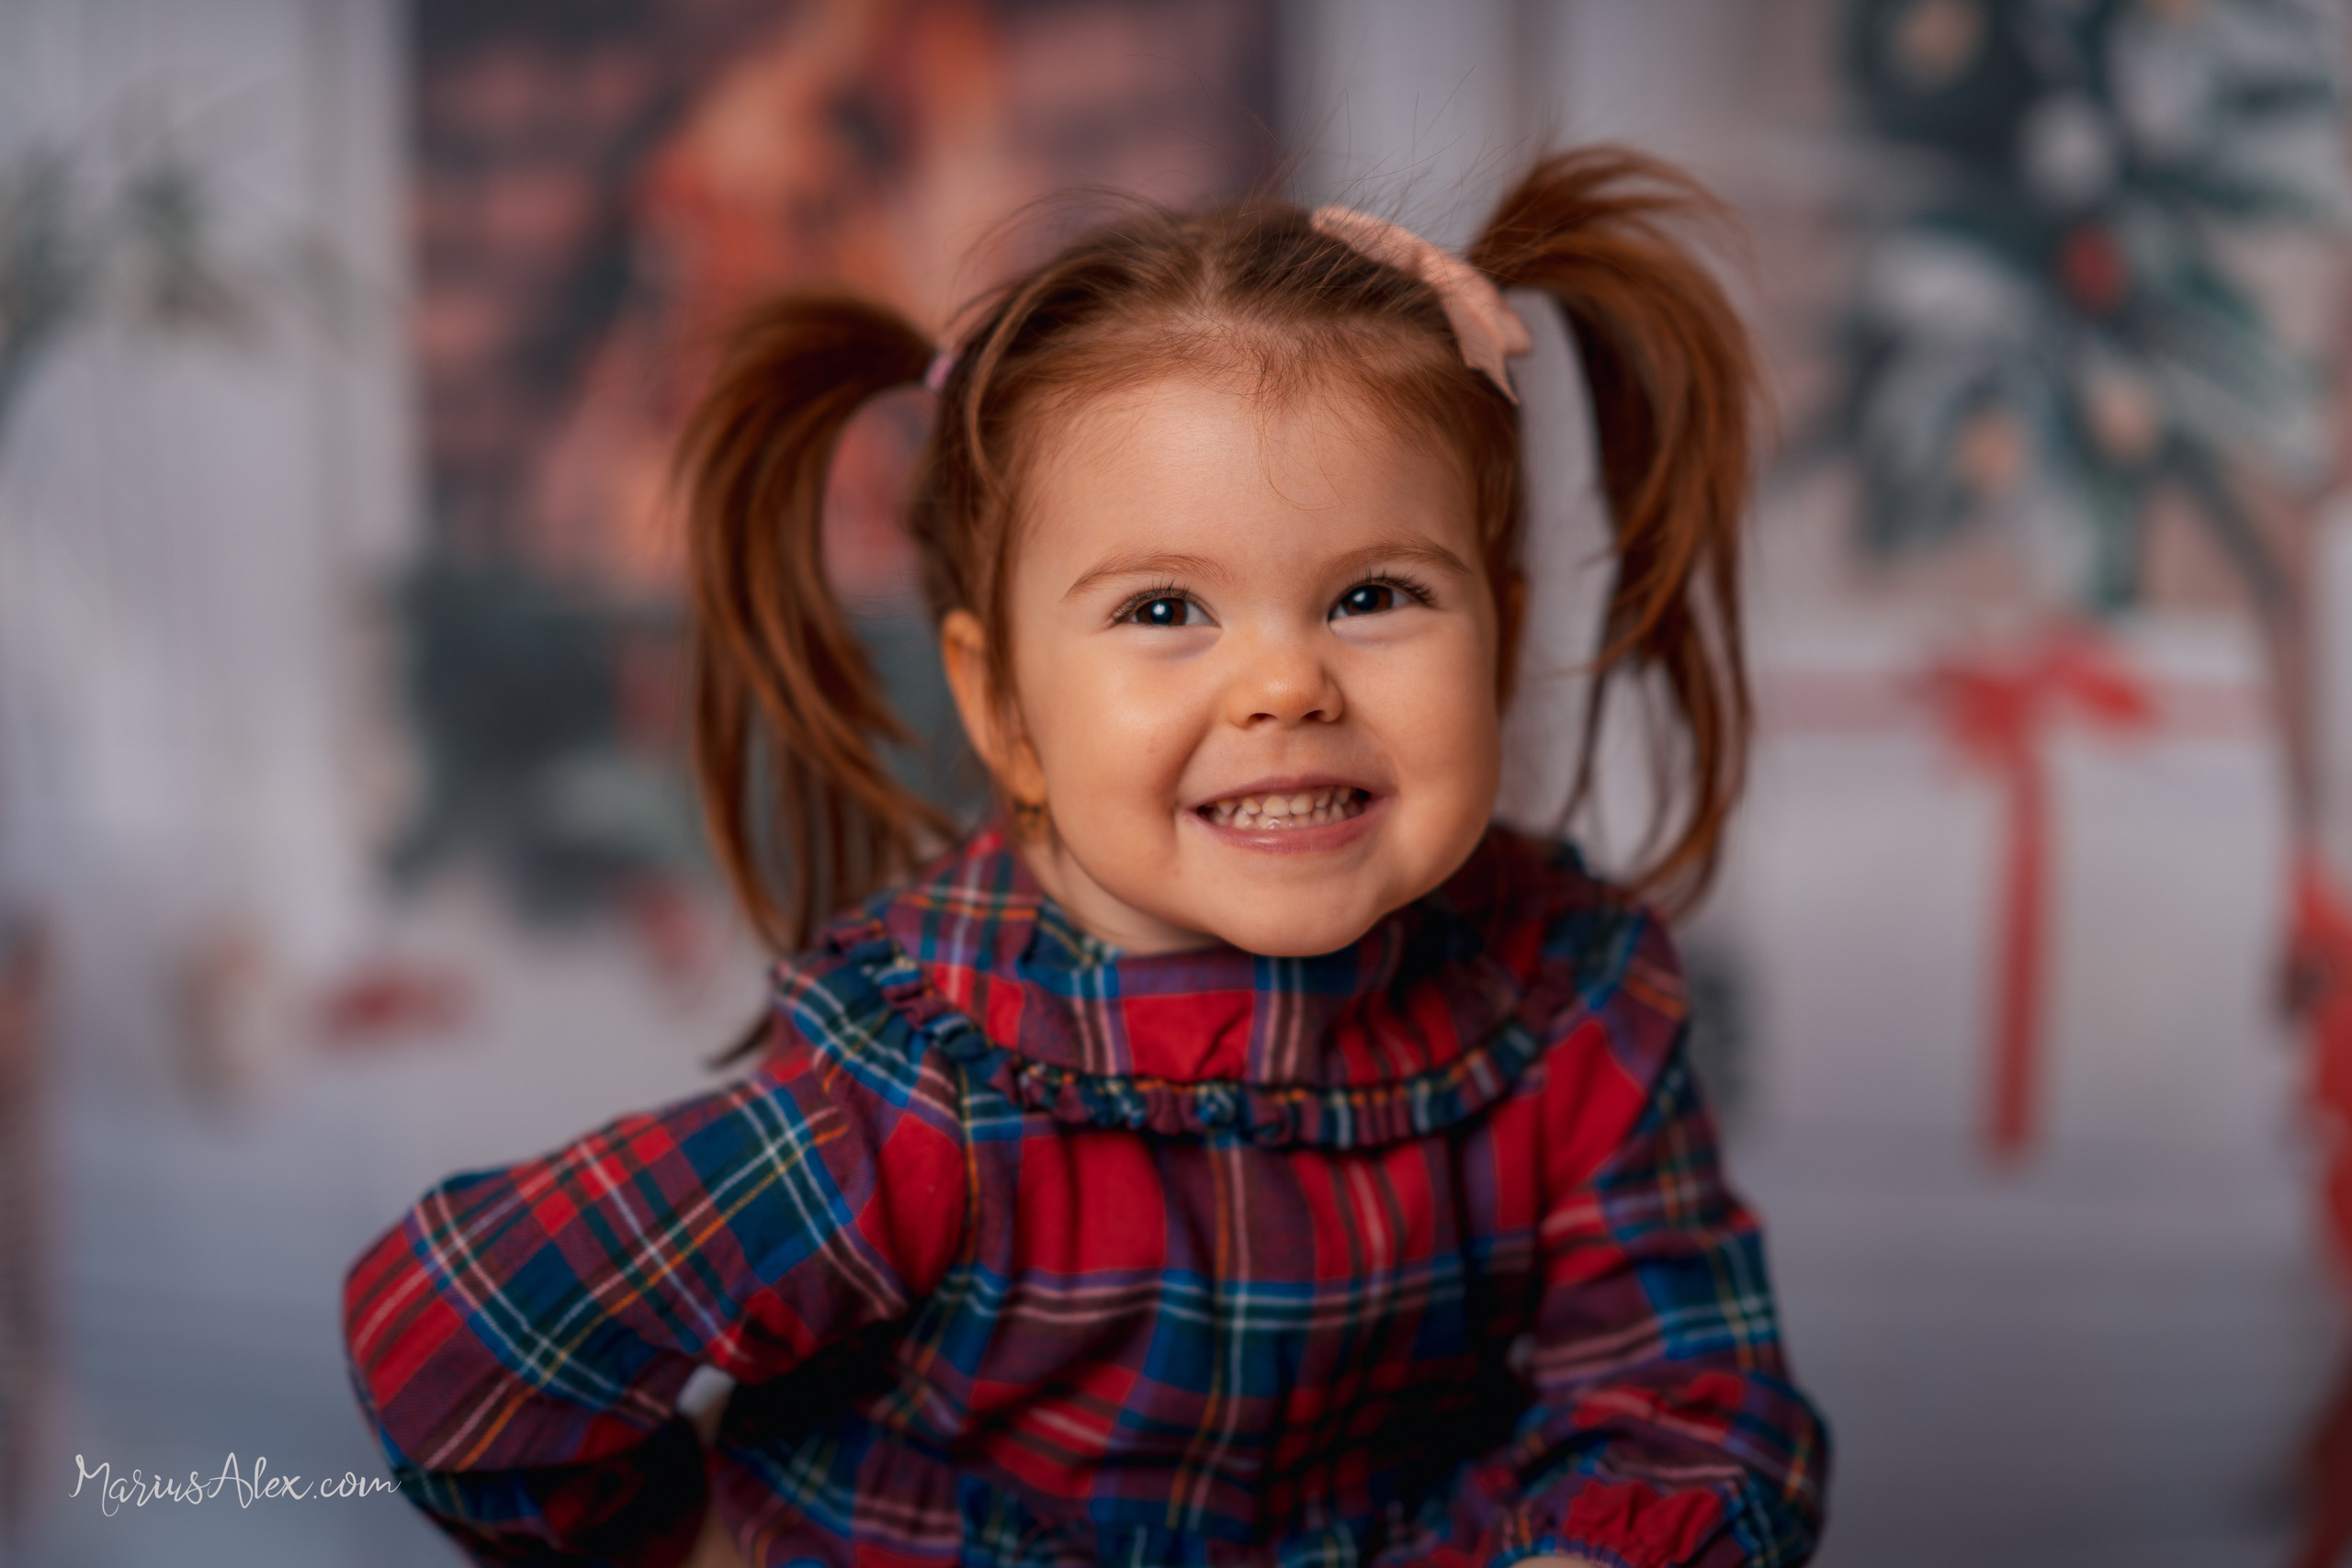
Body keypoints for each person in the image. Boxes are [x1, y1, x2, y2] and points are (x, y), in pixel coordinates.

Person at [343, 147, 1830, 1568]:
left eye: (1374, 595)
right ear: (1002, 708)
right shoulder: (928, 1095)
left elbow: (1687, 1395)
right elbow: (451, 1341)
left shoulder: (1566, 997)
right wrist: (674, 1547)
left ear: (1500, 639)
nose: (1285, 688)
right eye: (1165, 611)